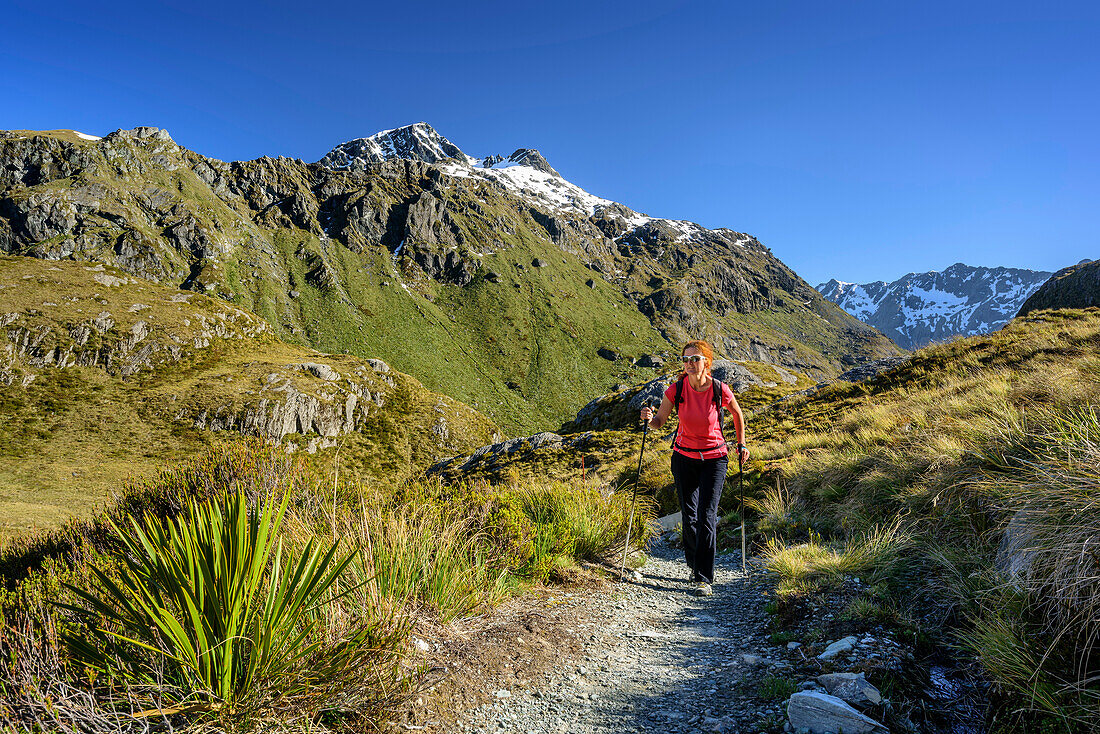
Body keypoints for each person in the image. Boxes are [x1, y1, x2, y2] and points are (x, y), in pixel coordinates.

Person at [640, 340, 749, 596]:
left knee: (706, 516)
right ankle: (693, 565)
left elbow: (737, 414)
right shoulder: (675, 390)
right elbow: (659, 422)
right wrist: (648, 418)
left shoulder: (719, 389)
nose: (689, 364)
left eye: (695, 359)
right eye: (685, 359)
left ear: (706, 363)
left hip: (715, 459)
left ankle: (703, 577)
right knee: (689, 518)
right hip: (683, 458)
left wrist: (742, 444)